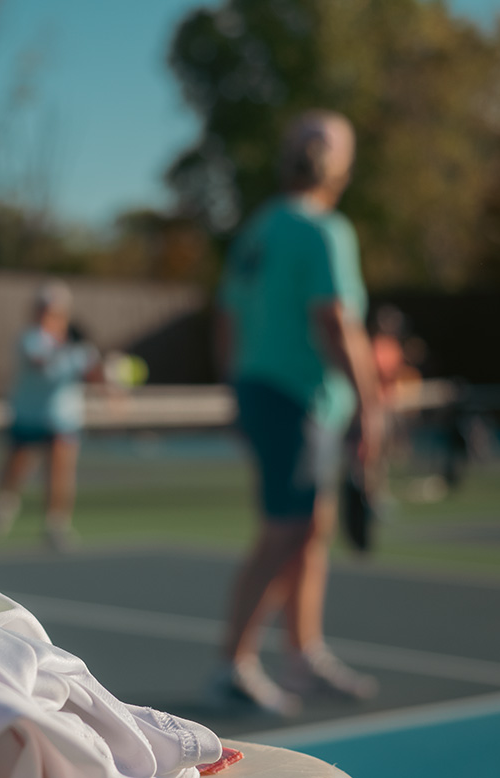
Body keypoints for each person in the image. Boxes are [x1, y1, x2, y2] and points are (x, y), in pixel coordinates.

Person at [208, 110, 384, 716]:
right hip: (296, 400)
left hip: (277, 396)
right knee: (286, 532)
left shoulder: (258, 230)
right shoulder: (324, 230)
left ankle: (303, 655)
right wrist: (373, 406)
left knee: (312, 529)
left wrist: (237, 390)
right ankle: (234, 663)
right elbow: (336, 320)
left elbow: (227, 319)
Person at [0, 281, 103, 551]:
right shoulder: (30, 339)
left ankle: (56, 524)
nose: (47, 315)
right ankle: (4, 506)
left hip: (63, 418)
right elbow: (42, 365)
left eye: (53, 310)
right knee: (16, 466)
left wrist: (105, 375)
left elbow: (95, 375)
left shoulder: (79, 346)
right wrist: (74, 351)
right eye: (43, 309)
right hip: (28, 414)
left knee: (60, 470)